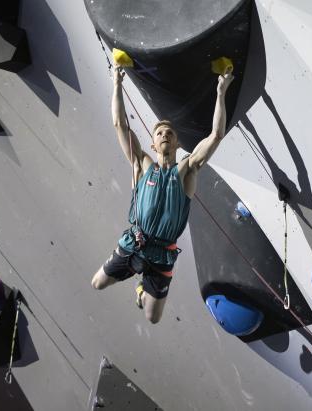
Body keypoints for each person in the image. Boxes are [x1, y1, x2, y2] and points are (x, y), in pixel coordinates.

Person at [91, 65, 234, 324]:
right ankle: (136, 273)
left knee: (152, 317)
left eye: (170, 133)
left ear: (177, 144)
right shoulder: (141, 165)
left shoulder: (188, 170)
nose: (164, 135)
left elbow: (216, 135)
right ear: (153, 144)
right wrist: (116, 84)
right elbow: (119, 124)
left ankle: (142, 289)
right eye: (159, 133)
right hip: (134, 244)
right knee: (97, 283)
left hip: (162, 255)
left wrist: (221, 92)